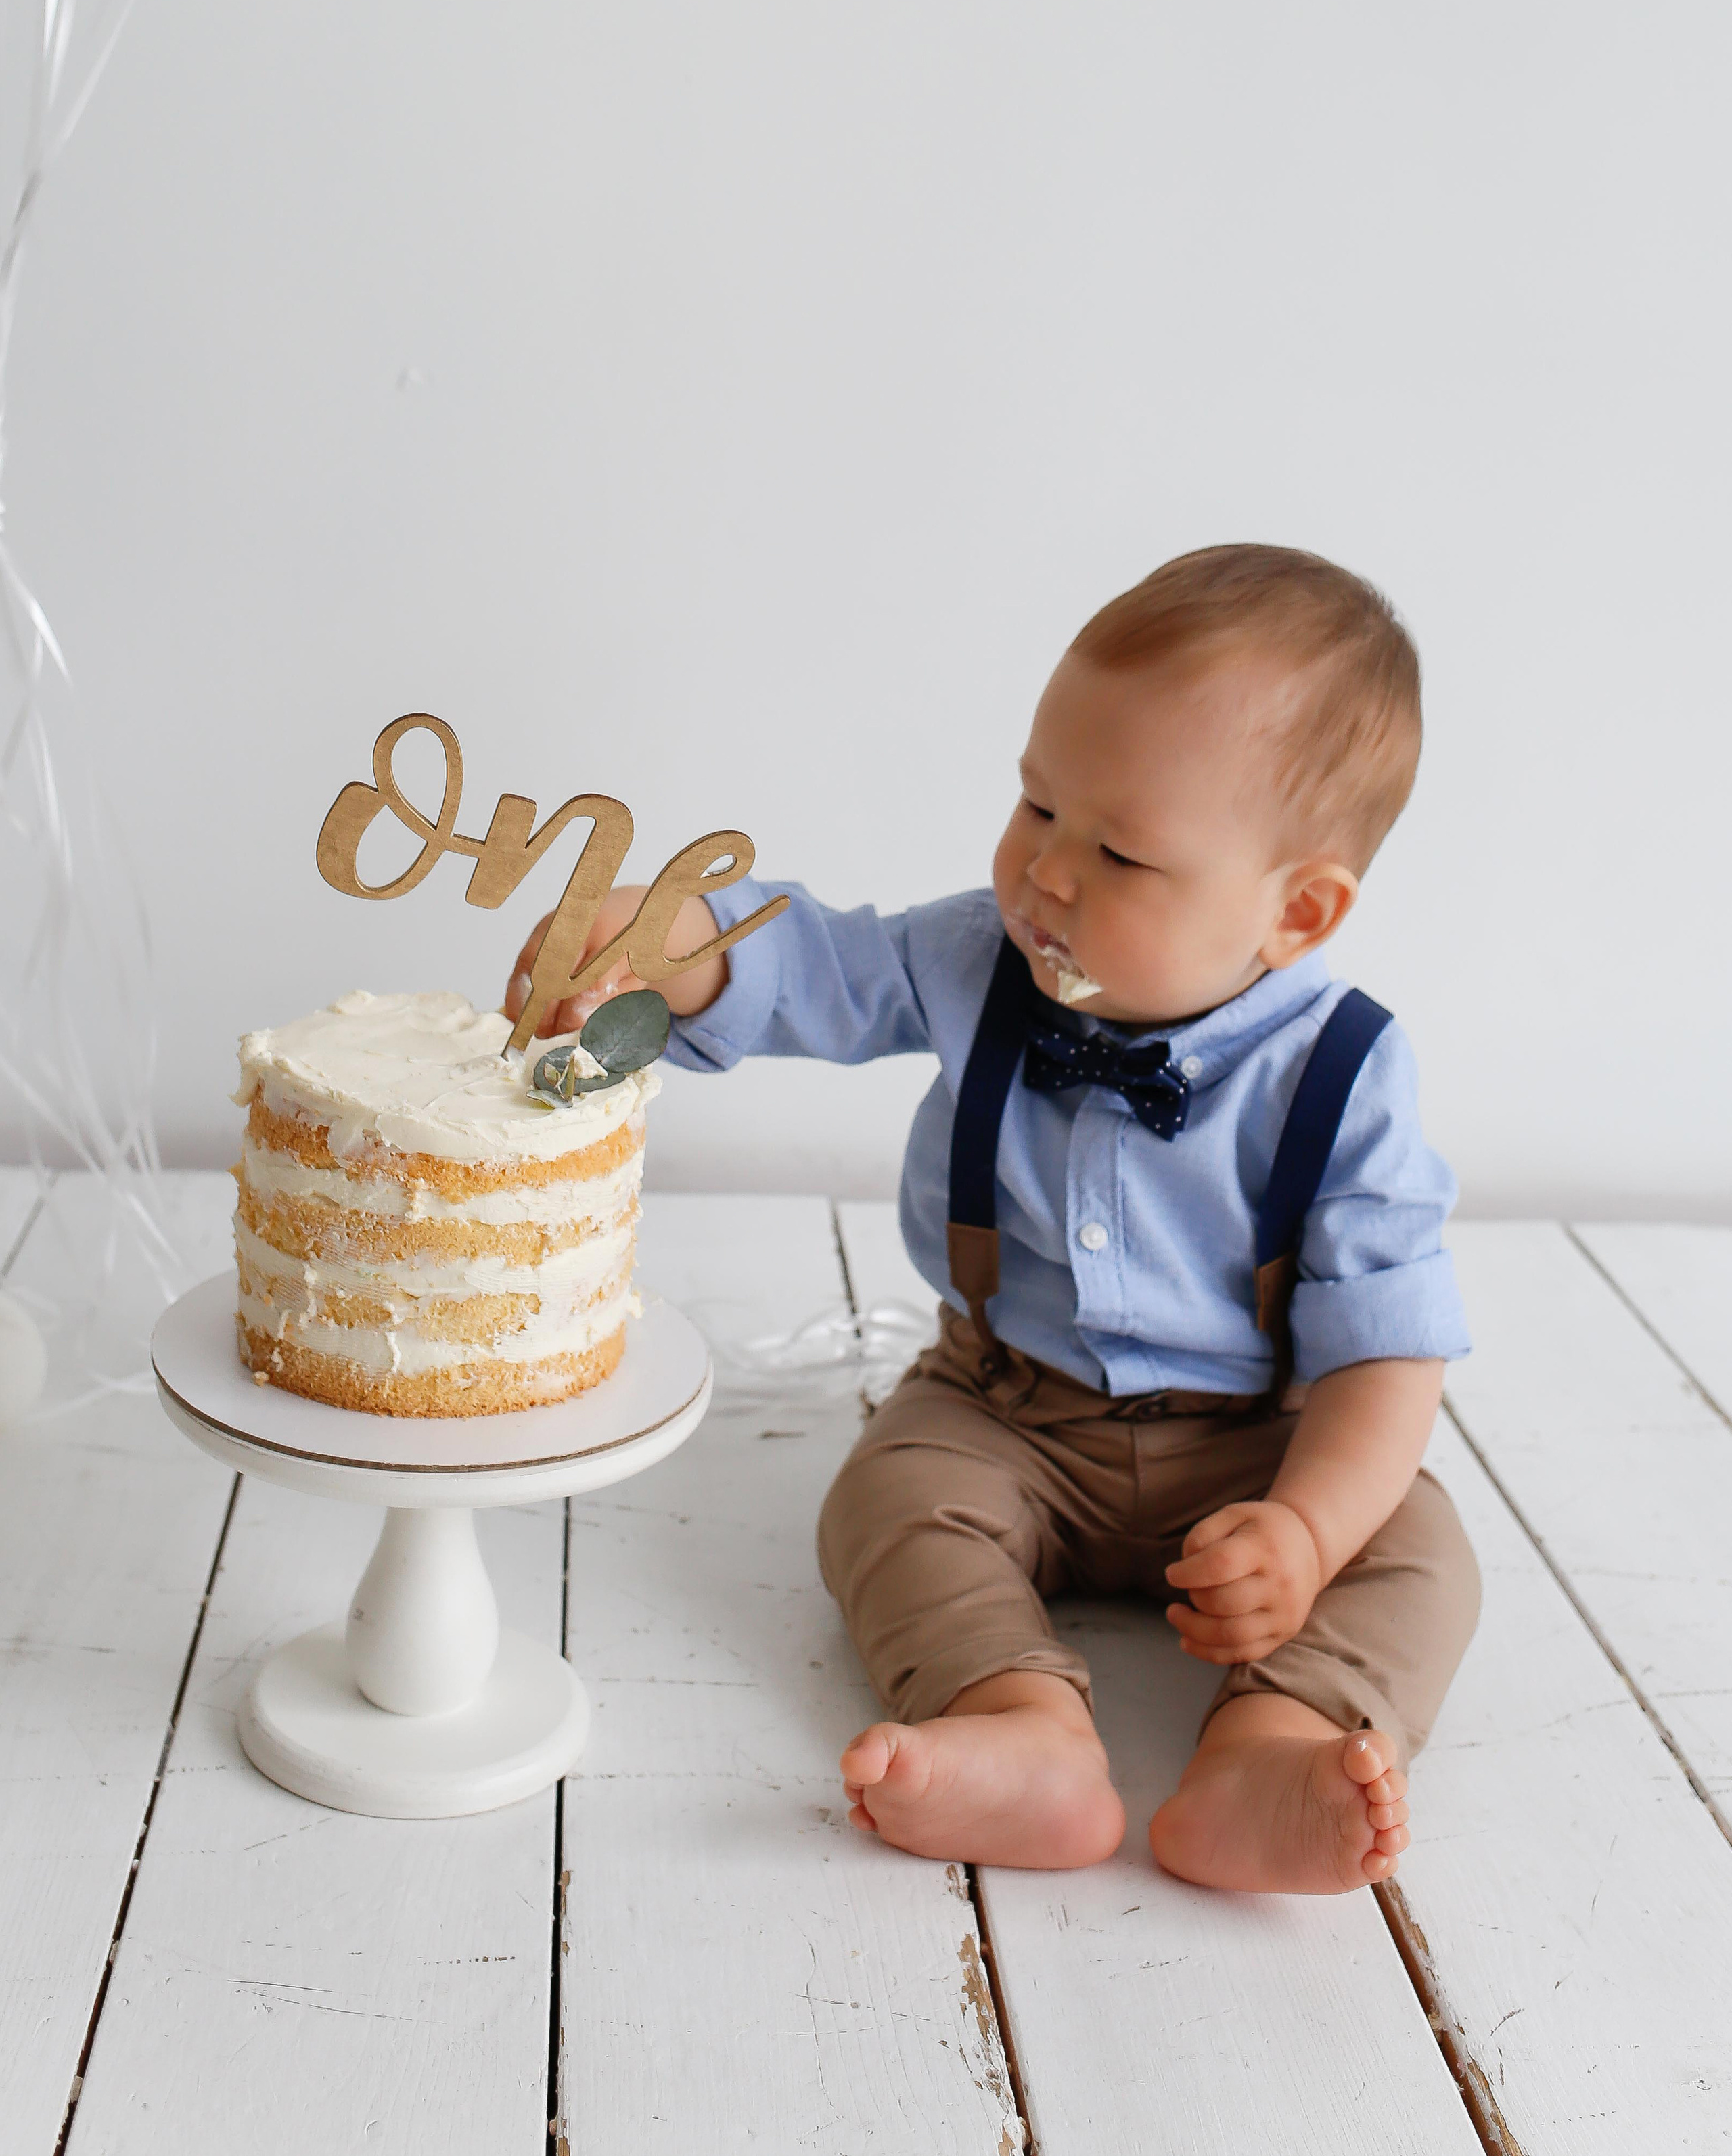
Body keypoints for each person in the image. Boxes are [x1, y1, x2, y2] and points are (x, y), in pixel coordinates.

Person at [505, 544, 1478, 1893]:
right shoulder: (977, 960)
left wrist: (1306, 1531)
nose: (1047, 875)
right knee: (888, 1497)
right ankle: (1020, 1722)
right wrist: (672, 942)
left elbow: (1385, 1356)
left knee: (1418, 1550)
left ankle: (1273, 1736)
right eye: (1036, 806)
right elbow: (820, 963)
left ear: (1295, 910)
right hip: (1004, 1408)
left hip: (1254, 1442)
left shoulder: (1343, 1072)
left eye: (1120, 850)